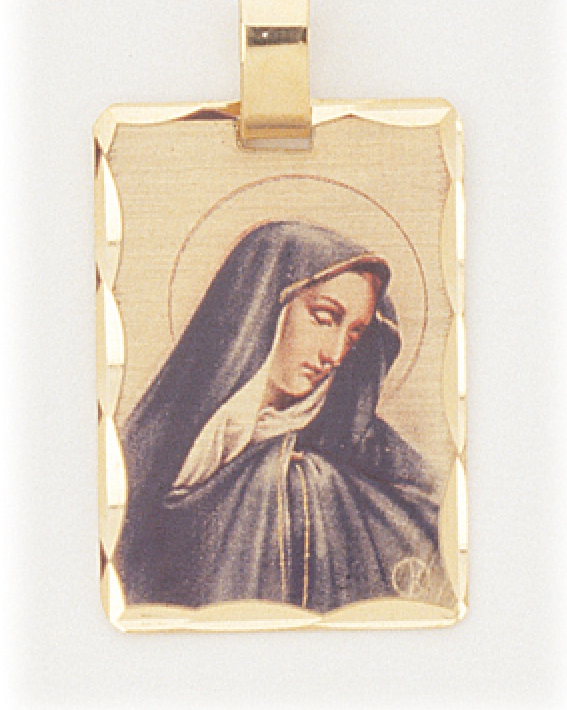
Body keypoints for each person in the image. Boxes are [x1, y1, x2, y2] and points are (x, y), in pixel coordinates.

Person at [116, 220, 450, 612]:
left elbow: (438, 511)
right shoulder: (163, 440)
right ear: (264, 307)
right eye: (324, 318)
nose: (335, 354)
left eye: (353, 336)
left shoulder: (358, 446)